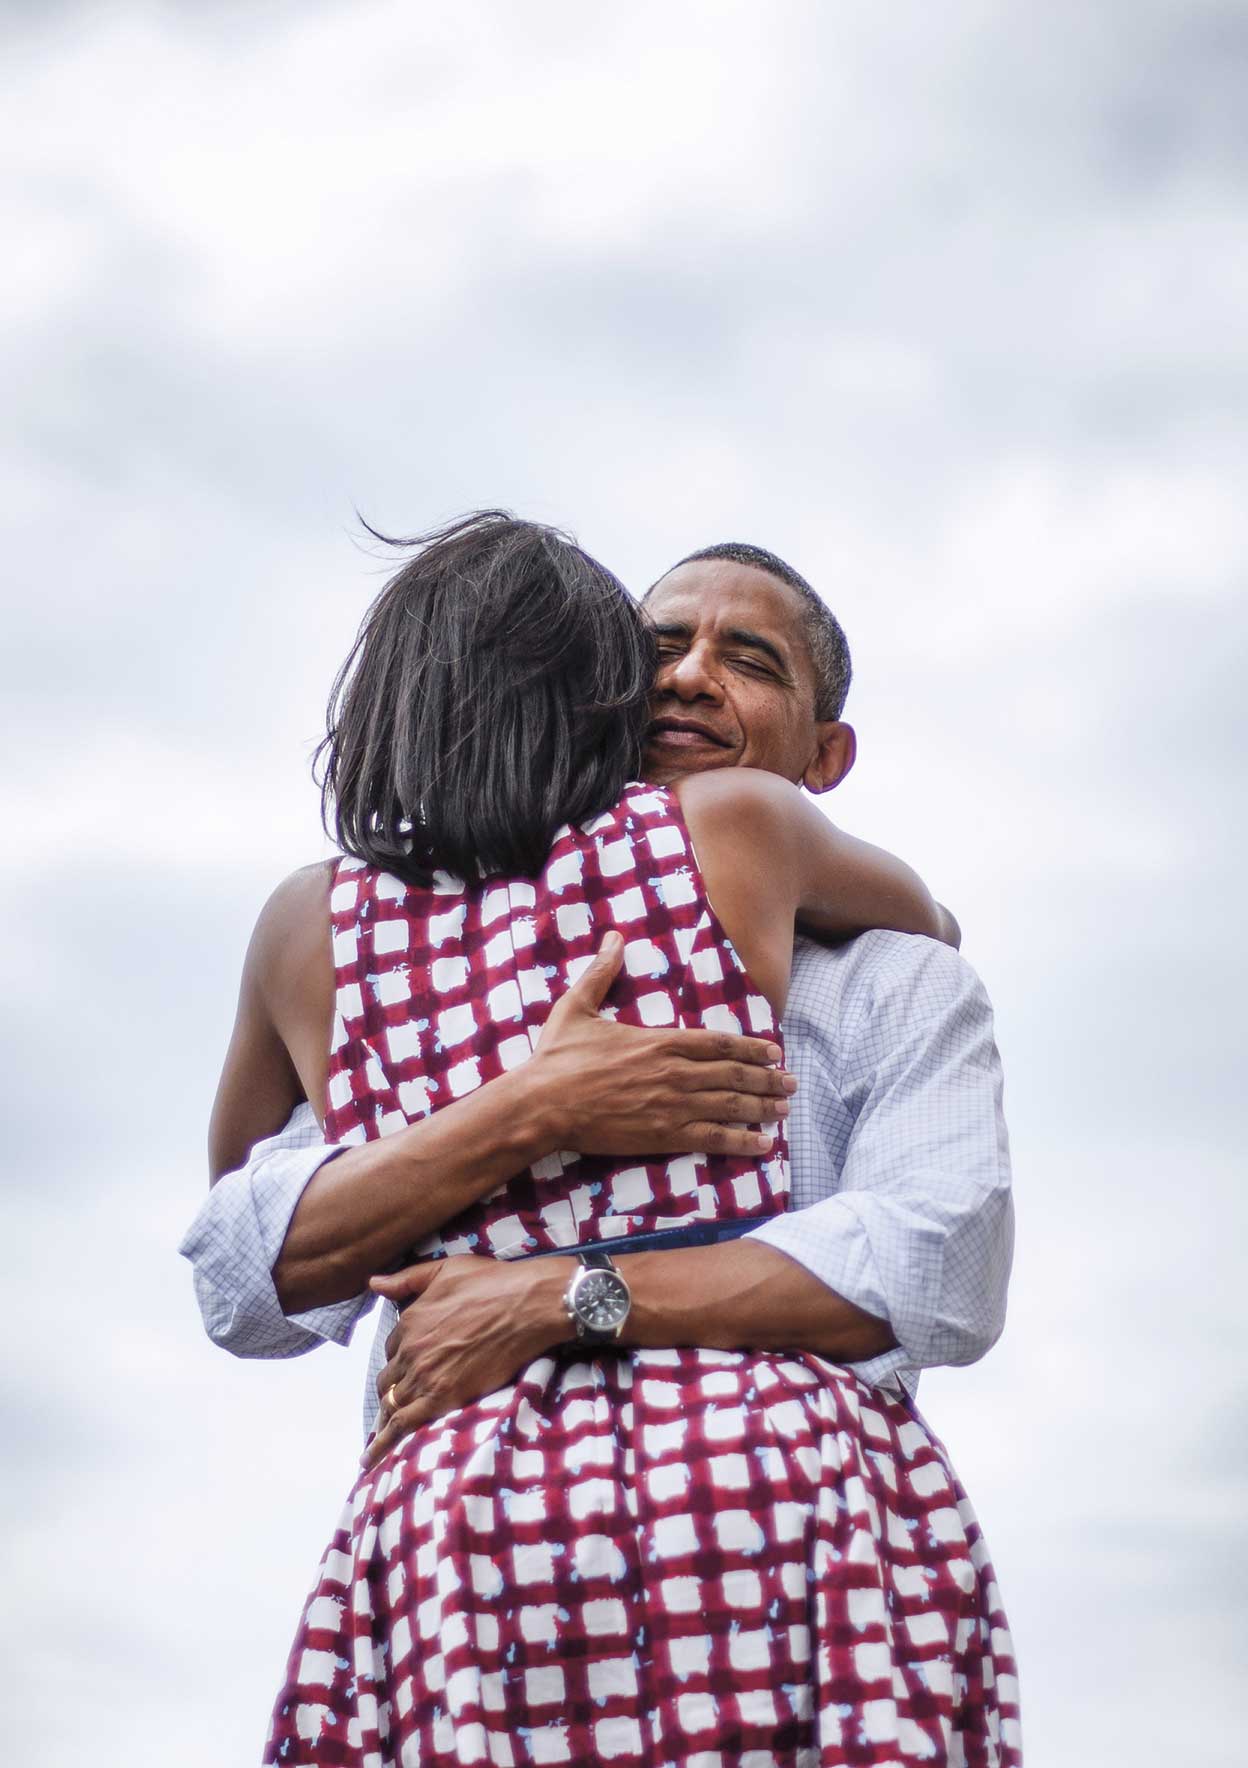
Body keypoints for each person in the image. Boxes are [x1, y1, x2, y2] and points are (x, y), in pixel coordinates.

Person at [197, 512, 1020, 1765]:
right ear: (594, 696)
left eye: (749, 660)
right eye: (660, 648)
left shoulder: (332, 935)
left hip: (462, 1519)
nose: (689, 676)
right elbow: (245, 1268)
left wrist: (541, 1291)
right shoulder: (743, 836)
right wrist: (535, 1101)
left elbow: (937, 1263)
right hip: (761, 1489)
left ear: (828, 749)